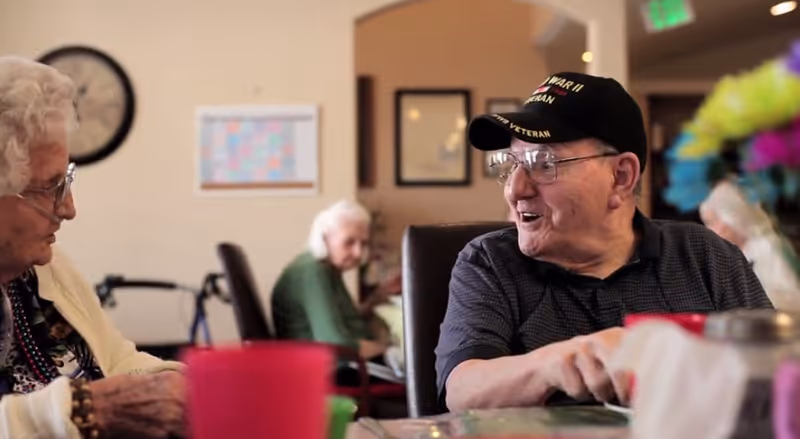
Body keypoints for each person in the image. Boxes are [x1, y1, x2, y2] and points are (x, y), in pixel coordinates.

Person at [435, 71, 773, 412]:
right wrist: (554, 363)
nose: (515, 189)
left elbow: (778, 376)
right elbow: (463, 391)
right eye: (513, 165)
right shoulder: (490, 261)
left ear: (621, 176)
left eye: (543, 163)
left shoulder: (705, 256)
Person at [0, 56, 185, 439]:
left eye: (66, 180)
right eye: (49, 188)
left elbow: (116, 360)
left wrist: (180, 387)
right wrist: (81, 410)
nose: (68, 209)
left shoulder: (46, 267)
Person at [271, 200, 400, 363]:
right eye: (349, 242)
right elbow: (337, 346)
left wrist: (378, 297)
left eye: (364, 243)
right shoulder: (313, 272)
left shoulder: (326, 269)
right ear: (325, 238)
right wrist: (389, 349)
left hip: (344, 366)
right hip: (333, 371)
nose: (358, 252)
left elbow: (344, 321)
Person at [700, 179, 800, 310]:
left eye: (712, 222)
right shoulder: (730, 254)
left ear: (732, 219)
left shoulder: (767, 247)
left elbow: (787, 298)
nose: (708, 230)